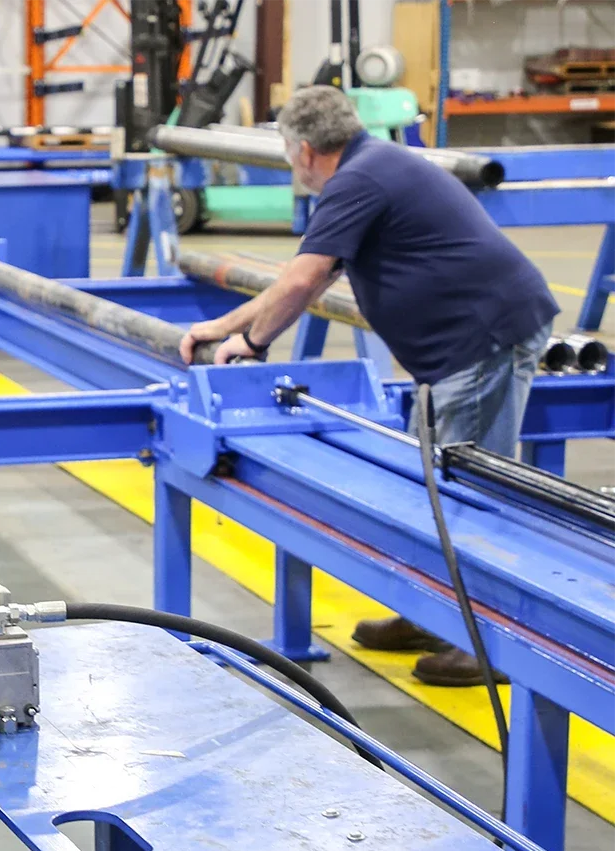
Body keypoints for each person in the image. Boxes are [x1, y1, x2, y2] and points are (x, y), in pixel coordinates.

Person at [180, 85, 558, 687]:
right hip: (462, 347)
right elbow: (313, 270)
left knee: (467, 492)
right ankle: (432, 616)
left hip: (484, 341)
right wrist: (225, 326)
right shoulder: (372, 165)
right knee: (429, 479)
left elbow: (304, 281)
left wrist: (250, 343)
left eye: (285, 152)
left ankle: (487, 646)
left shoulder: (360, 178)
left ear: (305, 150)